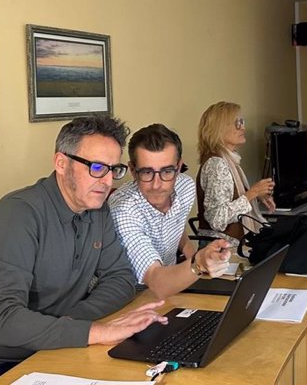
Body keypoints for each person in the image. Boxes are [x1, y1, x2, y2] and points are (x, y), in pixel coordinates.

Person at [0, 115, 167, 385]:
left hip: (50, 349)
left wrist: (74, 323)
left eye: (113, 169)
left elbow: (121, 279)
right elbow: (2, 322)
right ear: (61, 163)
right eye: (96, 167)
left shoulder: (96, 207)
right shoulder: (18, 215)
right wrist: (94, 331)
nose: (106, 181)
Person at [108, 124, 232, 299]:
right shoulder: (123, 209)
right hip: (135, 295)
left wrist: (191, 251)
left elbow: (175, 223)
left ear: (179, 166)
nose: (157, 184)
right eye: (146, 172)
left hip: (174, 283)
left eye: (167, 171)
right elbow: (156, 281)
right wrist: (198, 264)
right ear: (133, 171)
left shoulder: (185, 187)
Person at [196, 101, 275, 246]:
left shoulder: (228, 160)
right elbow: (217, 219)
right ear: (219, 129)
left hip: (230, 247)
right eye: (237, 123)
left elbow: (228, 200)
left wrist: (257, 195)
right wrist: (252, 192)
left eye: (242, 122)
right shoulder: (217, 165)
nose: (243, 127)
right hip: (221, 251)